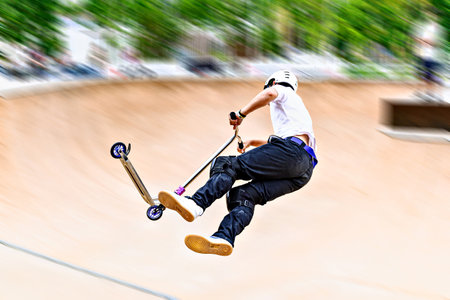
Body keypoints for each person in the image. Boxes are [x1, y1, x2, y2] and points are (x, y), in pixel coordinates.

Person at [158, 70, 318, 256]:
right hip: (302, 171)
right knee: (245, 195)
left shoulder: (281, 89)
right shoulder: (297, 110)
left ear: (273, 82)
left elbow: (269, 94)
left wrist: (241, 114)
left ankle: (197, 203)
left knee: (228, 164)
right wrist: (252, 142)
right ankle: (225, 237)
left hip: (291, 153)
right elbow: (291, 144)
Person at [413, 10, 444, 101]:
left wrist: (427, 42)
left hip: (432, 56)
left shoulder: (437, 30)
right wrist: (423, 41)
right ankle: (425, 93)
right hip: (422, 55)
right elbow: (417, 39)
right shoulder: (424, 28)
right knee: (423, 75)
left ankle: (434, 93)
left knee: (430, 76)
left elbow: (436, 43)